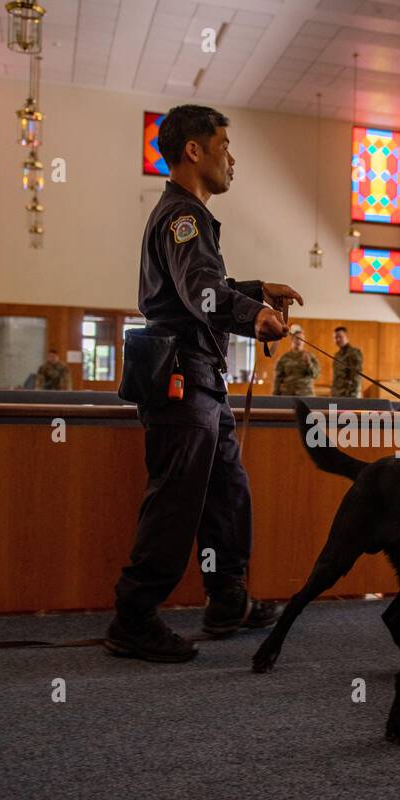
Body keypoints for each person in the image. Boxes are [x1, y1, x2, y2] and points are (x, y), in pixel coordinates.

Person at [107, 103, 300, 664]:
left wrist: (257, 289)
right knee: (175, 502)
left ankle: (226, 598)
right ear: (195, 150)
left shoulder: (186, 216)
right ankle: (133, 617)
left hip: (198, 381)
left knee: (225, 494)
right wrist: (252, 315)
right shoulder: (183, 217)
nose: (231, 160)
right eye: (224, 146)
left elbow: (201, 284)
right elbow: (201, 293)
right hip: (179, 380)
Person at [272, 324, 320, 396]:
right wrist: (275, 396)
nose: (299, 341)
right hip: (288, 394)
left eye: (302, 339)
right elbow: (277, 379)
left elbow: (315, 375)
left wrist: (308, 363)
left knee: (333, 406)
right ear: (292, 340)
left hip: (306, 394)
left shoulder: (310, 357)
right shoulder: (284, 358)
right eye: (297, 338)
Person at [330, 326, 363, 398]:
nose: (338, 339)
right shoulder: (337, 354)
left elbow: (357, 376)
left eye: (340, 337)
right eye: (336, 337)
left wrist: (353, 396)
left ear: (347, 337)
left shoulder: (353, 353)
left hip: (348, 395)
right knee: (332, 408)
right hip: (336, 394)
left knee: (346, 409)